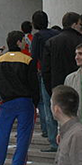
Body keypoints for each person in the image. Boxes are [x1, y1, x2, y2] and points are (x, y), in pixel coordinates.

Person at [0, 31, 40, 165]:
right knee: (23, 137)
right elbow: (34, 85)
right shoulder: (28, 60)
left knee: (1, 135)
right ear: (18, 42)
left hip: (6, 102)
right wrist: (35, 102)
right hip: (25, 102)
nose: (25, 43)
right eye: (23, 40)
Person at [42, 12, 82, 152]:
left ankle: (55, 142)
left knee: (57, 115)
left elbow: (45, 69)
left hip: (57, 84)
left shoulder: (52, 42)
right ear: (75, 24)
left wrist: (50, 87)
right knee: (79, 112)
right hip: (80, 83)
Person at [30, 10, 59, 140]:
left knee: (46, 105)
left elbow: (34, 57)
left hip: (44, 72)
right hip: (58, 72)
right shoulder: (56, 33)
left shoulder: (38, 37)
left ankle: (51, 137)